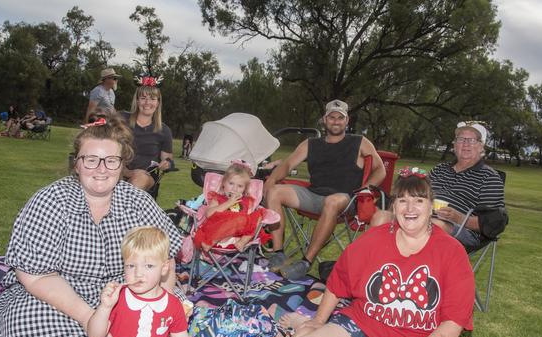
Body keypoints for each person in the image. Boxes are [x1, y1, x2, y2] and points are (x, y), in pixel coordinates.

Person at [0, 114, 183, 337]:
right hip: (60, 295)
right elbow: (35, 275)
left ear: (123, 165)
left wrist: (160, 307)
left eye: (111, 161)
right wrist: (88, 317)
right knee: (25, 321)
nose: (101, 169)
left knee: (165, 321)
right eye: (91, 160)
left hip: (127, 291)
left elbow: (166, 259)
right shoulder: (51, 201)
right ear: (76, 164)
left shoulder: (138, 202)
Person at [280, 169, 485, 337]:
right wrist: (317, 321)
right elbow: (339, 281)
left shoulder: (452, 252)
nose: (410, 209)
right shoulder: (373, 240)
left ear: (431, 207)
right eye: (403, 201)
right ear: (394, 207)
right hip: (365, 330)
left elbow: (453, 322)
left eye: (419, 201)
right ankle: (303, 324)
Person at [81, 226, 228, 337]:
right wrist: (104, 307)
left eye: (149, 266)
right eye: (131, 265)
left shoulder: (173, 304)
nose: (138, 273)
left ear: (164, 268)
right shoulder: (117, 298)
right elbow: (94, 336)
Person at [263, 99, 386, 280]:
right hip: (314, 195)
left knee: (332, 201)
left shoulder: (359, 142)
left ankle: (306, 261)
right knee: (274, 191)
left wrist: (366, 189)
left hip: (345, 199)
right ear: (324, 119)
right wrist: (271, 179)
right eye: (331, 117)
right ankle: (278, 252)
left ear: (347, 121)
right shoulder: (311, 144)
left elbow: (380, 169)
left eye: (340, 118)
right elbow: (288, 164)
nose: (336, 121)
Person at [371, 121, 505, 250]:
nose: (465, 144)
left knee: (433, 225)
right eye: (461, 139)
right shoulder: (440, 169)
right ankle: (374, 267)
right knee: (381, 217)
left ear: (481, 146)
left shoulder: (490, 177)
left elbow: (494, 222)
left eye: (471, 140)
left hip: (458, 229)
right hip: (418, 216)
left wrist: (459, 217)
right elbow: (418, 193)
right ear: (454, 145)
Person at [193, 161, 266, 252]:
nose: (234, 189)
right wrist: (228, 203)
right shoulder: (218, 199)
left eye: (240, 186)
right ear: (223, 183)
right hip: (216, 234)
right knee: (237, 219)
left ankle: (242, 242)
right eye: (231, 183)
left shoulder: (246, 201)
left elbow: (250, 221)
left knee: (259, 215)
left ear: (244, 189)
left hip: (238, 236)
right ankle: (210, 242)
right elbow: (209, 214)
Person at [122, 76, 174, 192]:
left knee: (139, 179)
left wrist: (167, 163)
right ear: (137, 100)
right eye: (143, 98)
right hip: (116, 172)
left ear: (158, 102)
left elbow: (168, 159)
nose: (147, 103)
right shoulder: (121, 120)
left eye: (152, 99)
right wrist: (127, 172)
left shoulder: (164, 130)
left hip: (146, 176)